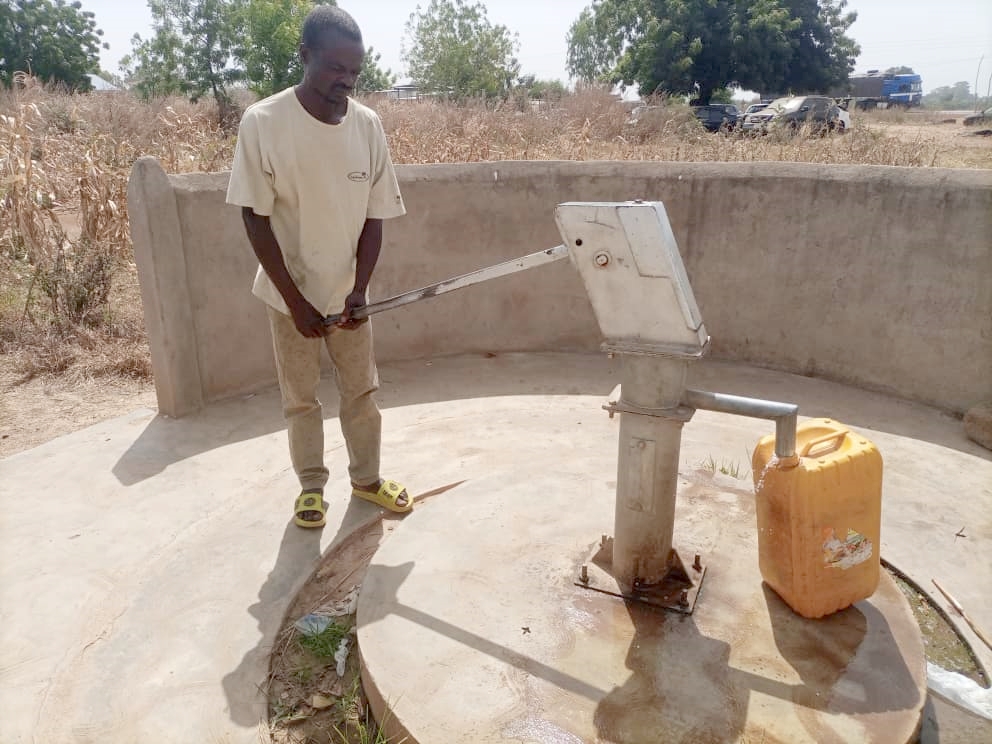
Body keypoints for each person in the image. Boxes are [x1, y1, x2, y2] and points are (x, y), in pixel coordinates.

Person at [226, 5, 410, 528]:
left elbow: (375, 217)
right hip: (290, 298)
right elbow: (255, 218)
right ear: (304, 56)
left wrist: (361, 289)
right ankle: (311, 487)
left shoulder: (368, 126)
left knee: (362, 393)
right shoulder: (264, 122)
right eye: (335, 68)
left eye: (354, 71)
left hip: (348, 296)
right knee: (301, 400)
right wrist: (295, 301)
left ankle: (367, 481)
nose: (346, 81)